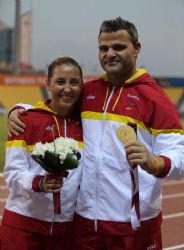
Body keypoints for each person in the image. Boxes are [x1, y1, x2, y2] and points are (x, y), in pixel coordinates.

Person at [7, 17, 184, 250]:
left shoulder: (155, 99)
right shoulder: (89, 91)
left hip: (133, 227)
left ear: (137, 48)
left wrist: (155, 162)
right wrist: (19, 109)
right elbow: (56, 105)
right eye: (104, 48)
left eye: (118, 47)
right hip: (85, 223)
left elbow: (179, 154)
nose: (110, 54)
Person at [1, 57, 83, 250]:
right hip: (23, 228)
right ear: (47, 84)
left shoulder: (85, 124)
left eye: (74, 82)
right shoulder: (26, 121)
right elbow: (12, 174)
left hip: (65, 231)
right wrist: (39, 183)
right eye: (60, 82)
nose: (67, 88)